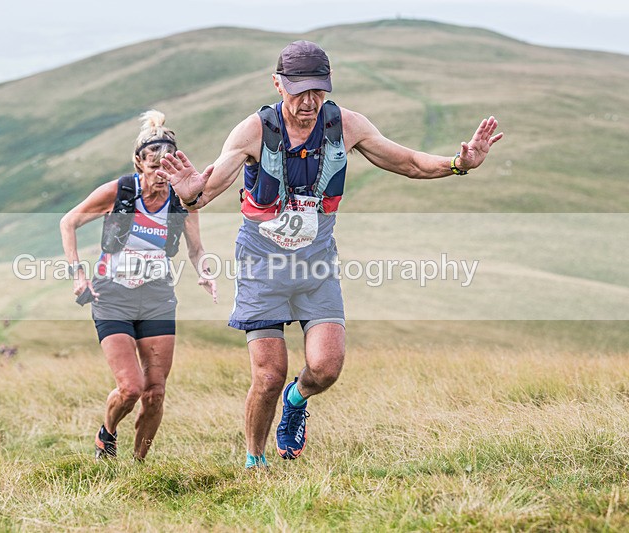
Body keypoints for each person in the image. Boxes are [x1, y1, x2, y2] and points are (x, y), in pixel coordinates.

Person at [158, 40, 503, 468]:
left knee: (325, 368)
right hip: (262, 266)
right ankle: (255, 461)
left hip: (316, 263)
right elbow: (204, 193)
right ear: (278, 84)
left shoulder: (347, 125)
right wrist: (189, 195)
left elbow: (410, 162)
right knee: (268, 376)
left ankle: (296, 400)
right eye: (299, 91)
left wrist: (458, 164)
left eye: (318, 90)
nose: (309, 101)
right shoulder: (253, 132)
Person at [60, 110, 217, 461]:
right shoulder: (120, 192)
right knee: (131, 388)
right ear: (138, 163)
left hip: (157, 297)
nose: (161, 176)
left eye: (167, 168)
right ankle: (107, 433)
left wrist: (204, 271)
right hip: (112, 295)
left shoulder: (182, 200)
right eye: (153, 167)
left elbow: (196, 249)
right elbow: (68, 222)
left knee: (155, 392)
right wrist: (78, 274)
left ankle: (139, 465)